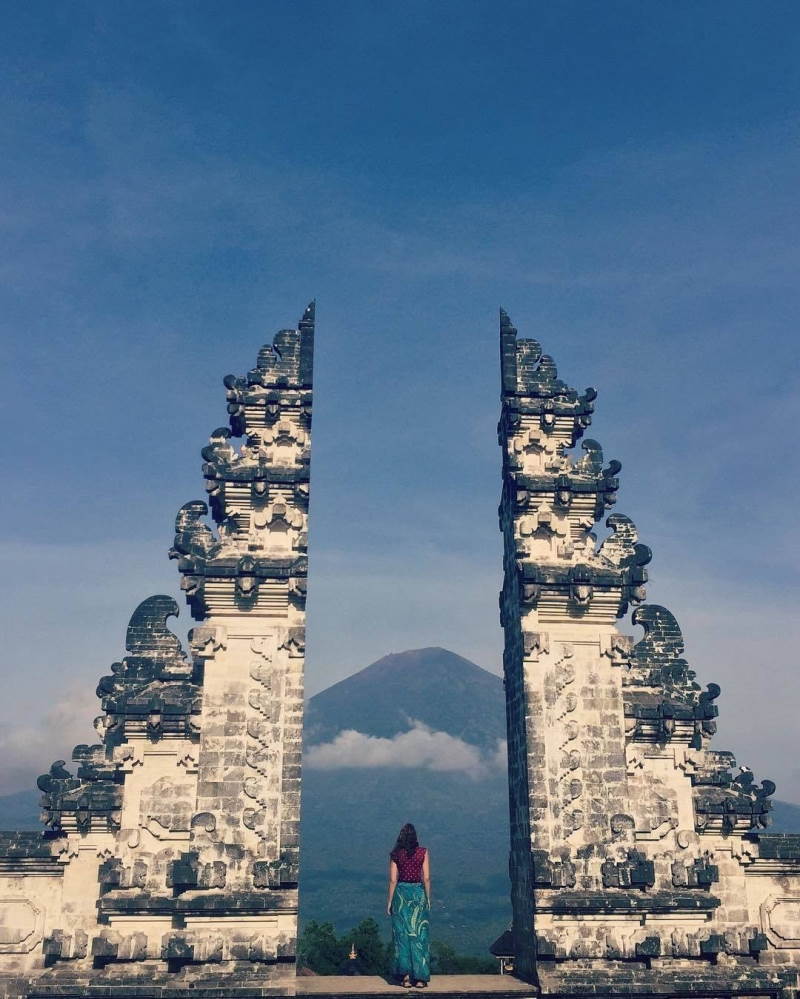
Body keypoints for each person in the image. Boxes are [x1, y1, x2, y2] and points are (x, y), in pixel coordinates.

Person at [386, 823, 430, 989]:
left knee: (402, 937)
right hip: (418, 895)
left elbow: (393, 880)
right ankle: (420, 978)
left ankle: (405, 977)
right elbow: (426, 877)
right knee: (419, 937)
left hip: (401, 896)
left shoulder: (396, 854)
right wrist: (427, 897)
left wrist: (389, 901)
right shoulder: (423, 852)